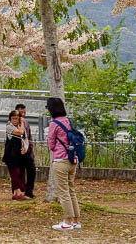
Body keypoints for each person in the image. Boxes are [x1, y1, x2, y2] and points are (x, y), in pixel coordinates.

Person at [47, 97, 81, 231]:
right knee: (71, 190)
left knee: (63, 192)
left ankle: (67, 221)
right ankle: (76, 221)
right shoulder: (68, 121)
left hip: (60, 160)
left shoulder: (54, 124)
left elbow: (51, 144)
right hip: (72, 160)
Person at [3, 110, 28, 200]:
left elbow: (25, 138)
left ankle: (16, 193)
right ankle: (21, 190)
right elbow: (20, 132)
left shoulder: (22, 127)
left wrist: (25, 148)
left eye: (17, 119)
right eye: (13, 118)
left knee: (20, 173)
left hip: (19, 154)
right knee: (15, 173)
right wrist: (22, 122)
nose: (14, 120)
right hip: (10, 154)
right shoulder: (9, 127)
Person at [15, 103, 36, 198]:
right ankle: (18, 190)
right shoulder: (12, 122)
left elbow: (29, 136)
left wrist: (32, 150)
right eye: (21, 112)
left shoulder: (26, 122)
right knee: (18, 171)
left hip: (27, 149)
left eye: (24, 112)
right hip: (17, 150)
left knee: (31, 169)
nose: (23, 114)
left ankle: (29, 190)